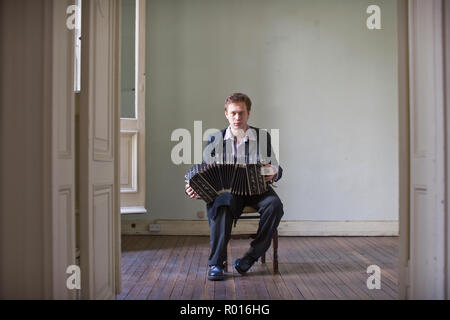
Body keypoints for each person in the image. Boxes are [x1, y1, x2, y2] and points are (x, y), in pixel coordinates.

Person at [185, 93, 284, 281]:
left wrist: (274, 171)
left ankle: (250, 257)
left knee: (275, 205)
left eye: (241, 113)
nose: (237, 118)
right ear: (226, 114)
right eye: (233, 113)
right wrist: (193, 186)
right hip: (228, 192)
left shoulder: (262, 137)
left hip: (257, 189)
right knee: (222, 204)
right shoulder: (215, 139)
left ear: (248, 113)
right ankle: (216, 263)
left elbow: (275, 166)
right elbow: (203, 171)